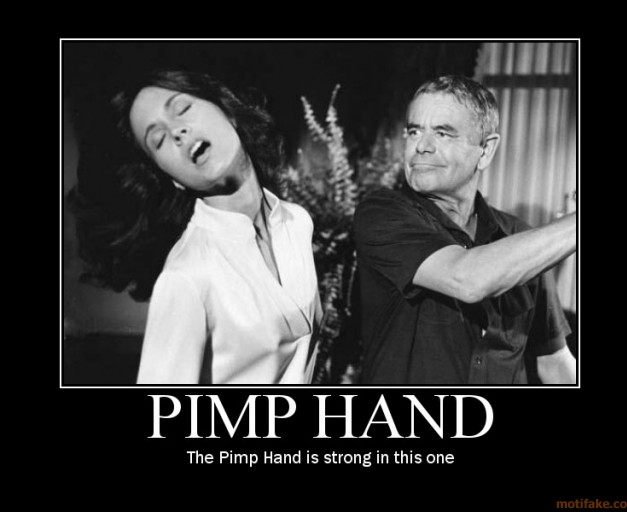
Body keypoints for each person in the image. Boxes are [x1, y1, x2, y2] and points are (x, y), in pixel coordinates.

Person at [69, 69, 321, 384]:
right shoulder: (186, 277)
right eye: (158, 140)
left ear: (228, 111)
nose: (177, 132)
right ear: (172, 178)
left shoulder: (297, 223)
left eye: (183, 108)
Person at [353, 75, 576, 385]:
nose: (422, 147)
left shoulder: (517, 236)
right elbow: (468, 279)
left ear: (485, 150)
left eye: (443, 133)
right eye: (414, 131)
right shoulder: (381, 214)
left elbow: (553, 361)